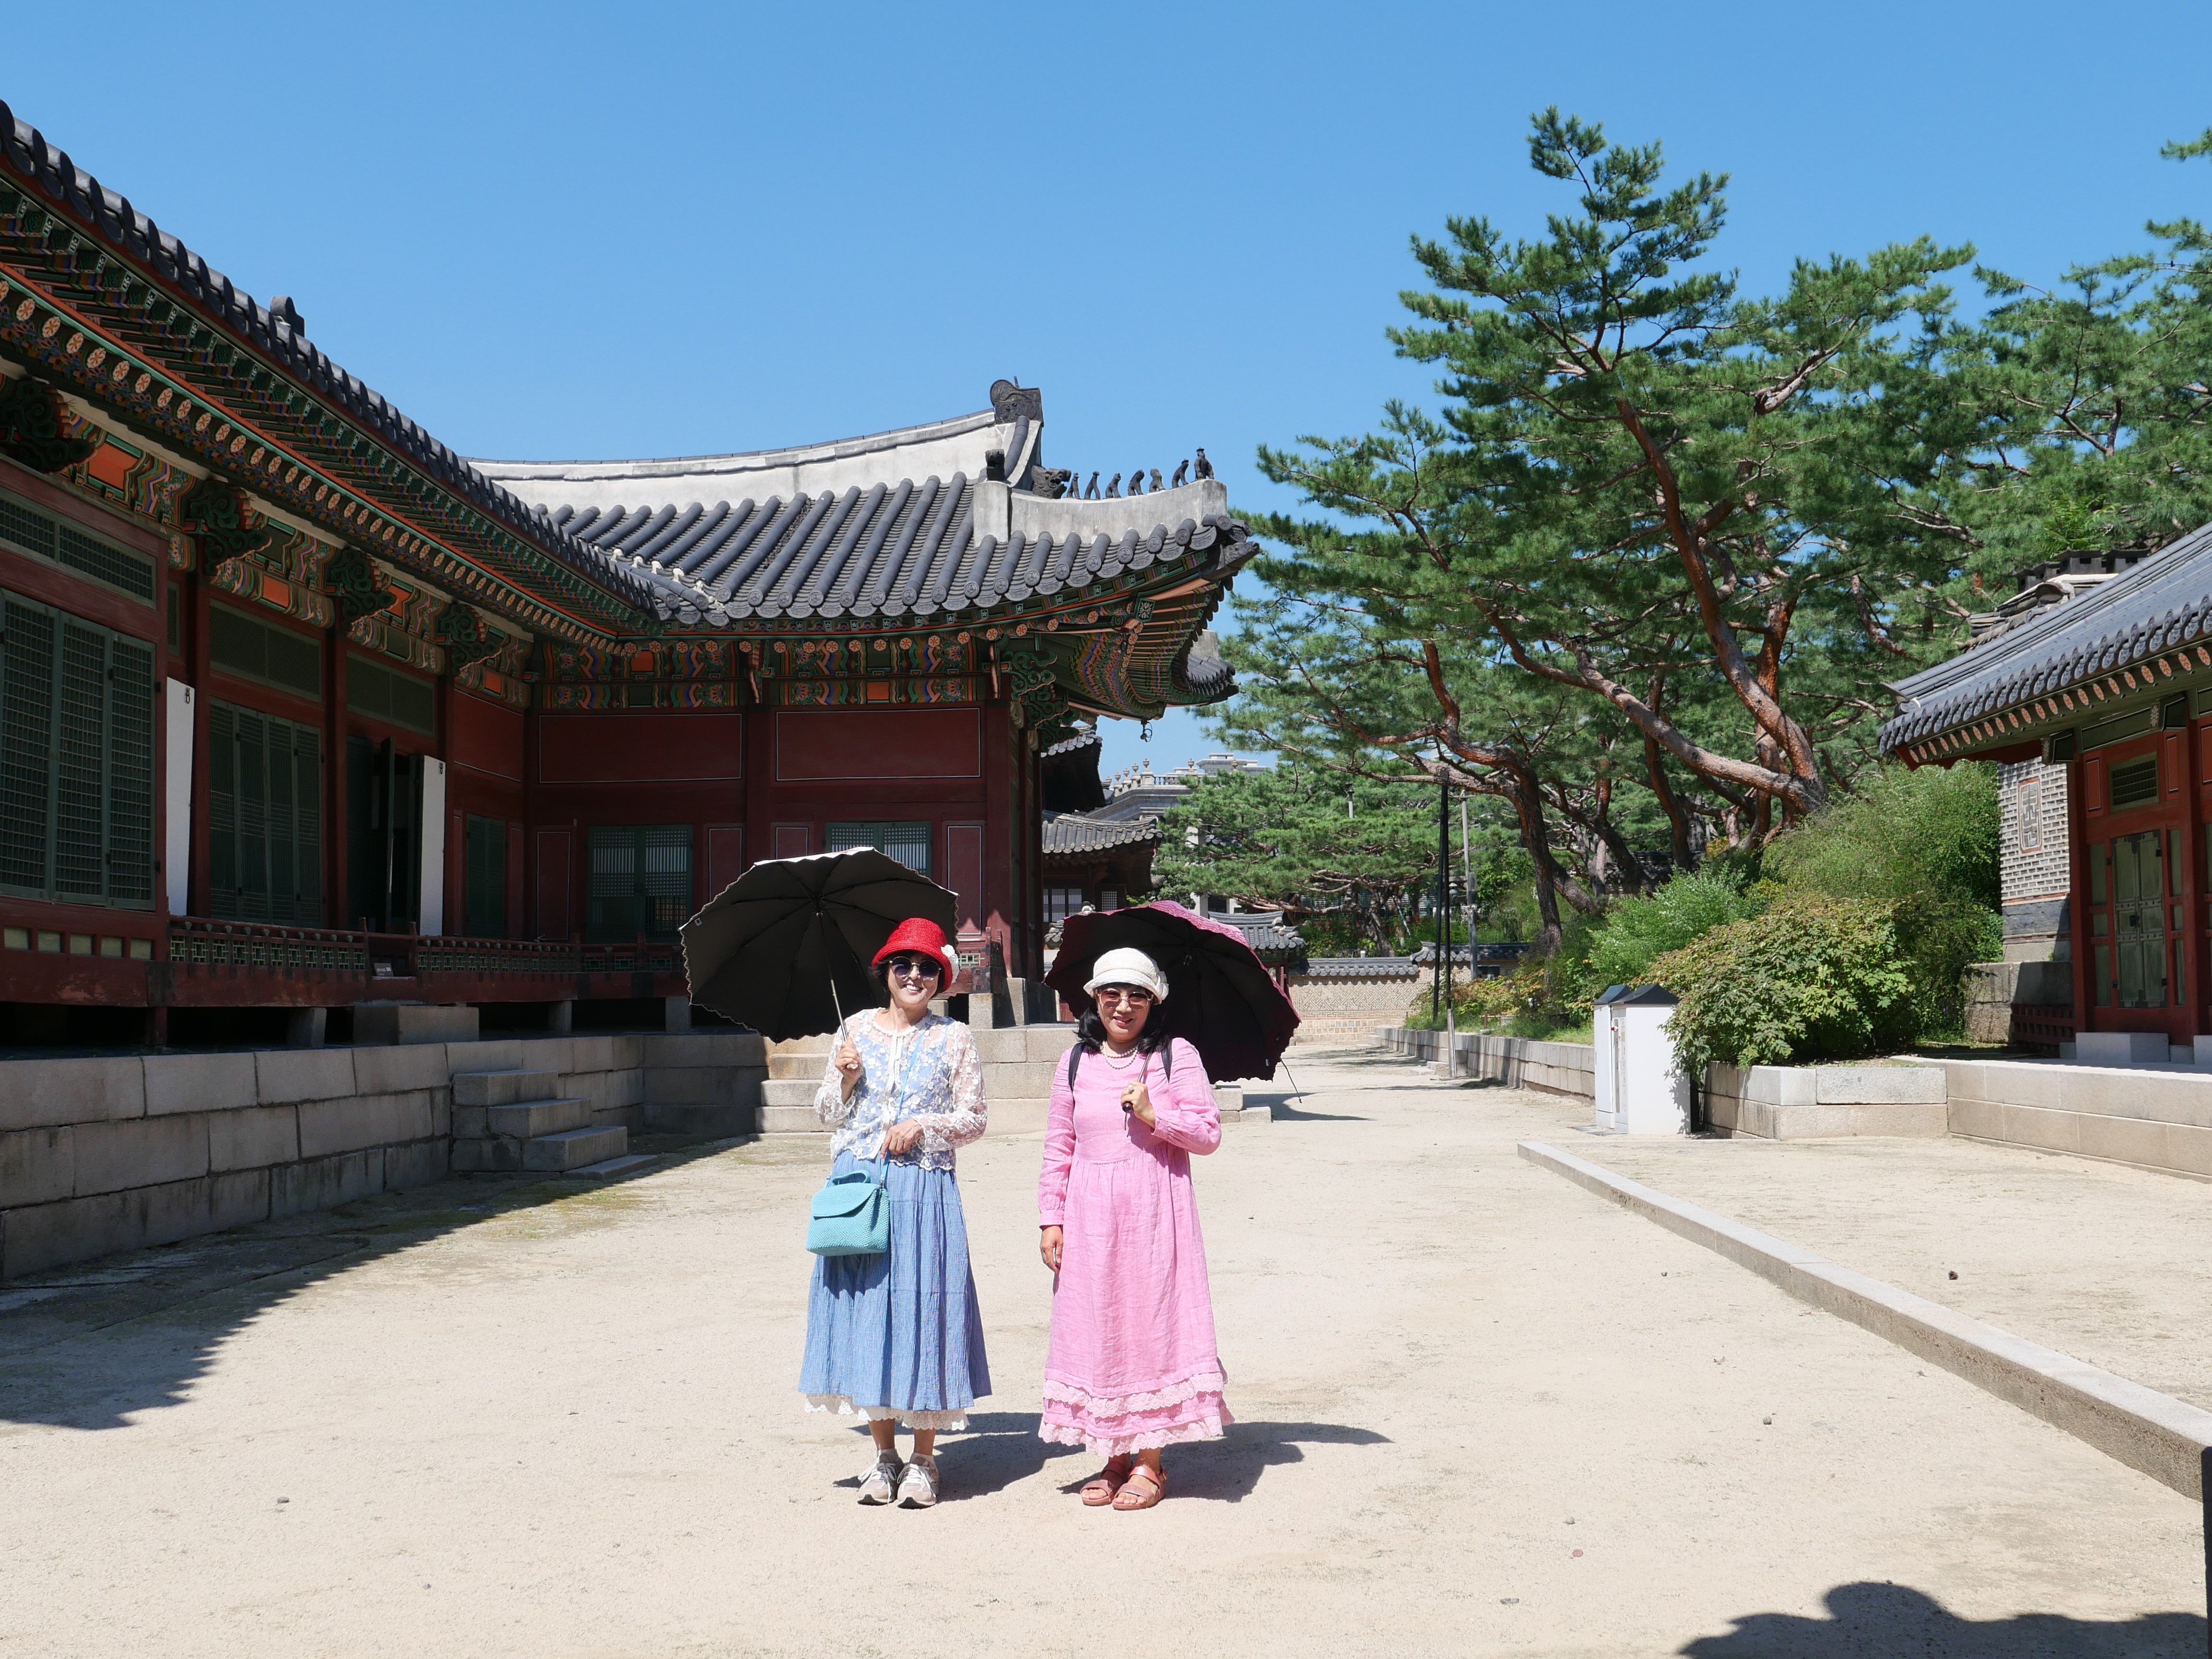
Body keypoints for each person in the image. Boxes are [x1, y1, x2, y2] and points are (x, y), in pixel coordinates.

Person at [799, 917, 989, 1508]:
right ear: (884, 972)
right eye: (902, 965)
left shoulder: (954, 1037)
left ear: (941, 977)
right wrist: (846, 1078)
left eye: (927, 967)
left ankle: (924, 1460)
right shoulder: (854, 1029)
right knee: (867, 1313)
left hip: (923, 1190)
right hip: (859, 1188)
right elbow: (825, 1112)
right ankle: (883, 1455)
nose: (914, 976)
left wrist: (922, 1125)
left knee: (922, 1309)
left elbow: (974, 1118)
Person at [1037, 946, 1227, 1510]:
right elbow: (1058, 1145)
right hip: (1088, 1218)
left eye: (1137, 995)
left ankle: (1149, 1462)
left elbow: (1207, 1134)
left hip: (1154, 1215)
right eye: (1112, 994)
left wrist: (1153, 1115)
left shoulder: (1174, 1055)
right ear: (1094, 999)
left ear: (1154, 1001)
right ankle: (1113, 1456)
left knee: (1149, 1328)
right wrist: (1051, 1218)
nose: (1123, 1007)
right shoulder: (1074, 1062)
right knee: (1100, 1328)